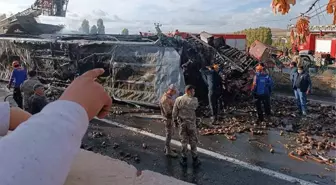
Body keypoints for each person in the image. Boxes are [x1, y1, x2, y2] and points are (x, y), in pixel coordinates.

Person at [0, 68, 112, 185]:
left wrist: (40, 124)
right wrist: (70, 111)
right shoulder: (35, 92)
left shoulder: (26, 86)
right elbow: (16, 171)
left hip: (28, 106)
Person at [172, 85, 200, 167]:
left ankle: (184, 158)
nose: (194, 93)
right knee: (193, 140)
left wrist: (175, 121)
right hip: (191, 124)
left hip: (182, 124)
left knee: (184, 141)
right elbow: (196, 108)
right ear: (188, 91)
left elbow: (174, 112)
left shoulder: (178, 100)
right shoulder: (194, 100)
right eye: (193, 91)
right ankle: (195, 158)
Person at [159, 84, 178, 157]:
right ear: (171, 90)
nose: (174, 93)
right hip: (168, 119)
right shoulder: (165, 99)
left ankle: (168, 147)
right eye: (174, 92)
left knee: (171, 133)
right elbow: (168, 112)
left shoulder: (169, 97)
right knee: (169, 134)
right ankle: (168, 150)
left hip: (170, 118)